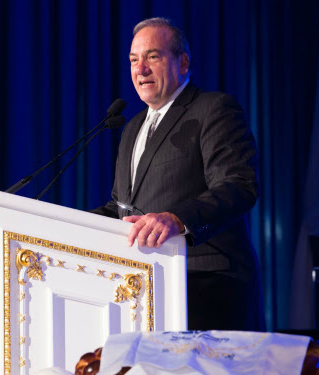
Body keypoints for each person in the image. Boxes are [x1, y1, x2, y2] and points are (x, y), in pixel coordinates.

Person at [92, 17, 263, 331]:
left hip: (207, 282)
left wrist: (177, 218)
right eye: (133, 60)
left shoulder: (213, 109)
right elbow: (121, 207)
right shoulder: (131, 128)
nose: (140, 68)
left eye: (152, 57)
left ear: (183, 62)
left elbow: (239, 186)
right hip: (148, 283)